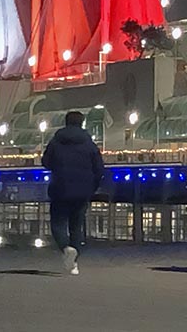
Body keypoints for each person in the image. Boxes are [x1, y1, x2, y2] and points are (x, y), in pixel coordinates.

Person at [41, 110, 104, 275]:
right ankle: (74, 261)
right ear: (82, 123)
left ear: (66, 122)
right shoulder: (89, 144)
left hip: (60, 188)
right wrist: (92, 187)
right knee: (77, 225)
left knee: (58, 223)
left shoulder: (56, 141)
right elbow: (99, 168)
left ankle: (65, 247)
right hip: (83, 191)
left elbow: (46, 161)